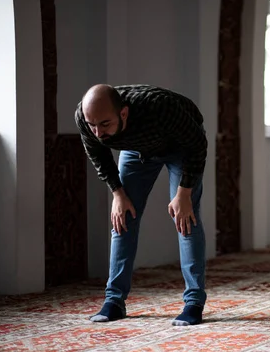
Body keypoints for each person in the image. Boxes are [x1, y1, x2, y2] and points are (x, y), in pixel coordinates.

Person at [75, 84, 208, 326]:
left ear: (123, 113)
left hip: (180, 147)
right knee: (122, 218)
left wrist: (184, 194)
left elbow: (197, 146)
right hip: (136, 150)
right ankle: (114, 301)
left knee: (185, 219)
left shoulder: (160, 108)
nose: (97, 132)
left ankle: (194, 303)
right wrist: (118, 194)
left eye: (105, 124)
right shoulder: (87, 119)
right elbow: (99, 156)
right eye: (92, 125)